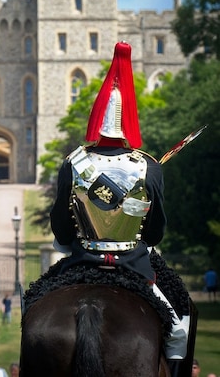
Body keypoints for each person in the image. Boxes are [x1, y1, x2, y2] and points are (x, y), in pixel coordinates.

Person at [50, 42, 192, 376]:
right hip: (135, 264)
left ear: (96, 120)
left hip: (81, 261)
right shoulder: (147, 166)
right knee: (179, 324)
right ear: (127, 123)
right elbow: (155, 230)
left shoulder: (74, 161)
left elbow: (61, 226)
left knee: (34, 307)